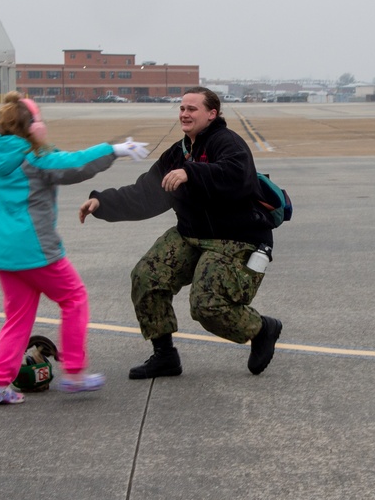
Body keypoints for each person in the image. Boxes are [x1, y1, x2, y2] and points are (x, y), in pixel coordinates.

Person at [78, 86, 283, 379]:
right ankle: (165, 356)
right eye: (182, 108)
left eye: (192, 109)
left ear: (212, 114)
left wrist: (192, 173)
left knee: (206, 306)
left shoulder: (228, 143)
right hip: (191, 233)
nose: (185, 114)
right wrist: (102, 202)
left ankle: (262, 329)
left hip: (236, 238)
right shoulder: (178, 152)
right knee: (147, 277)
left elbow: (237, 176)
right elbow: (146, 194)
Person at [0, 92, 149, 404]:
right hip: (35, 248)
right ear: (30, 126)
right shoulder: (33, 159)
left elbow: (35, 152)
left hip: (4, 251)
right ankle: (74, 373)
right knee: (74, 299)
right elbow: (72, 165)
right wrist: (114, 150)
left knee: (17, 318)